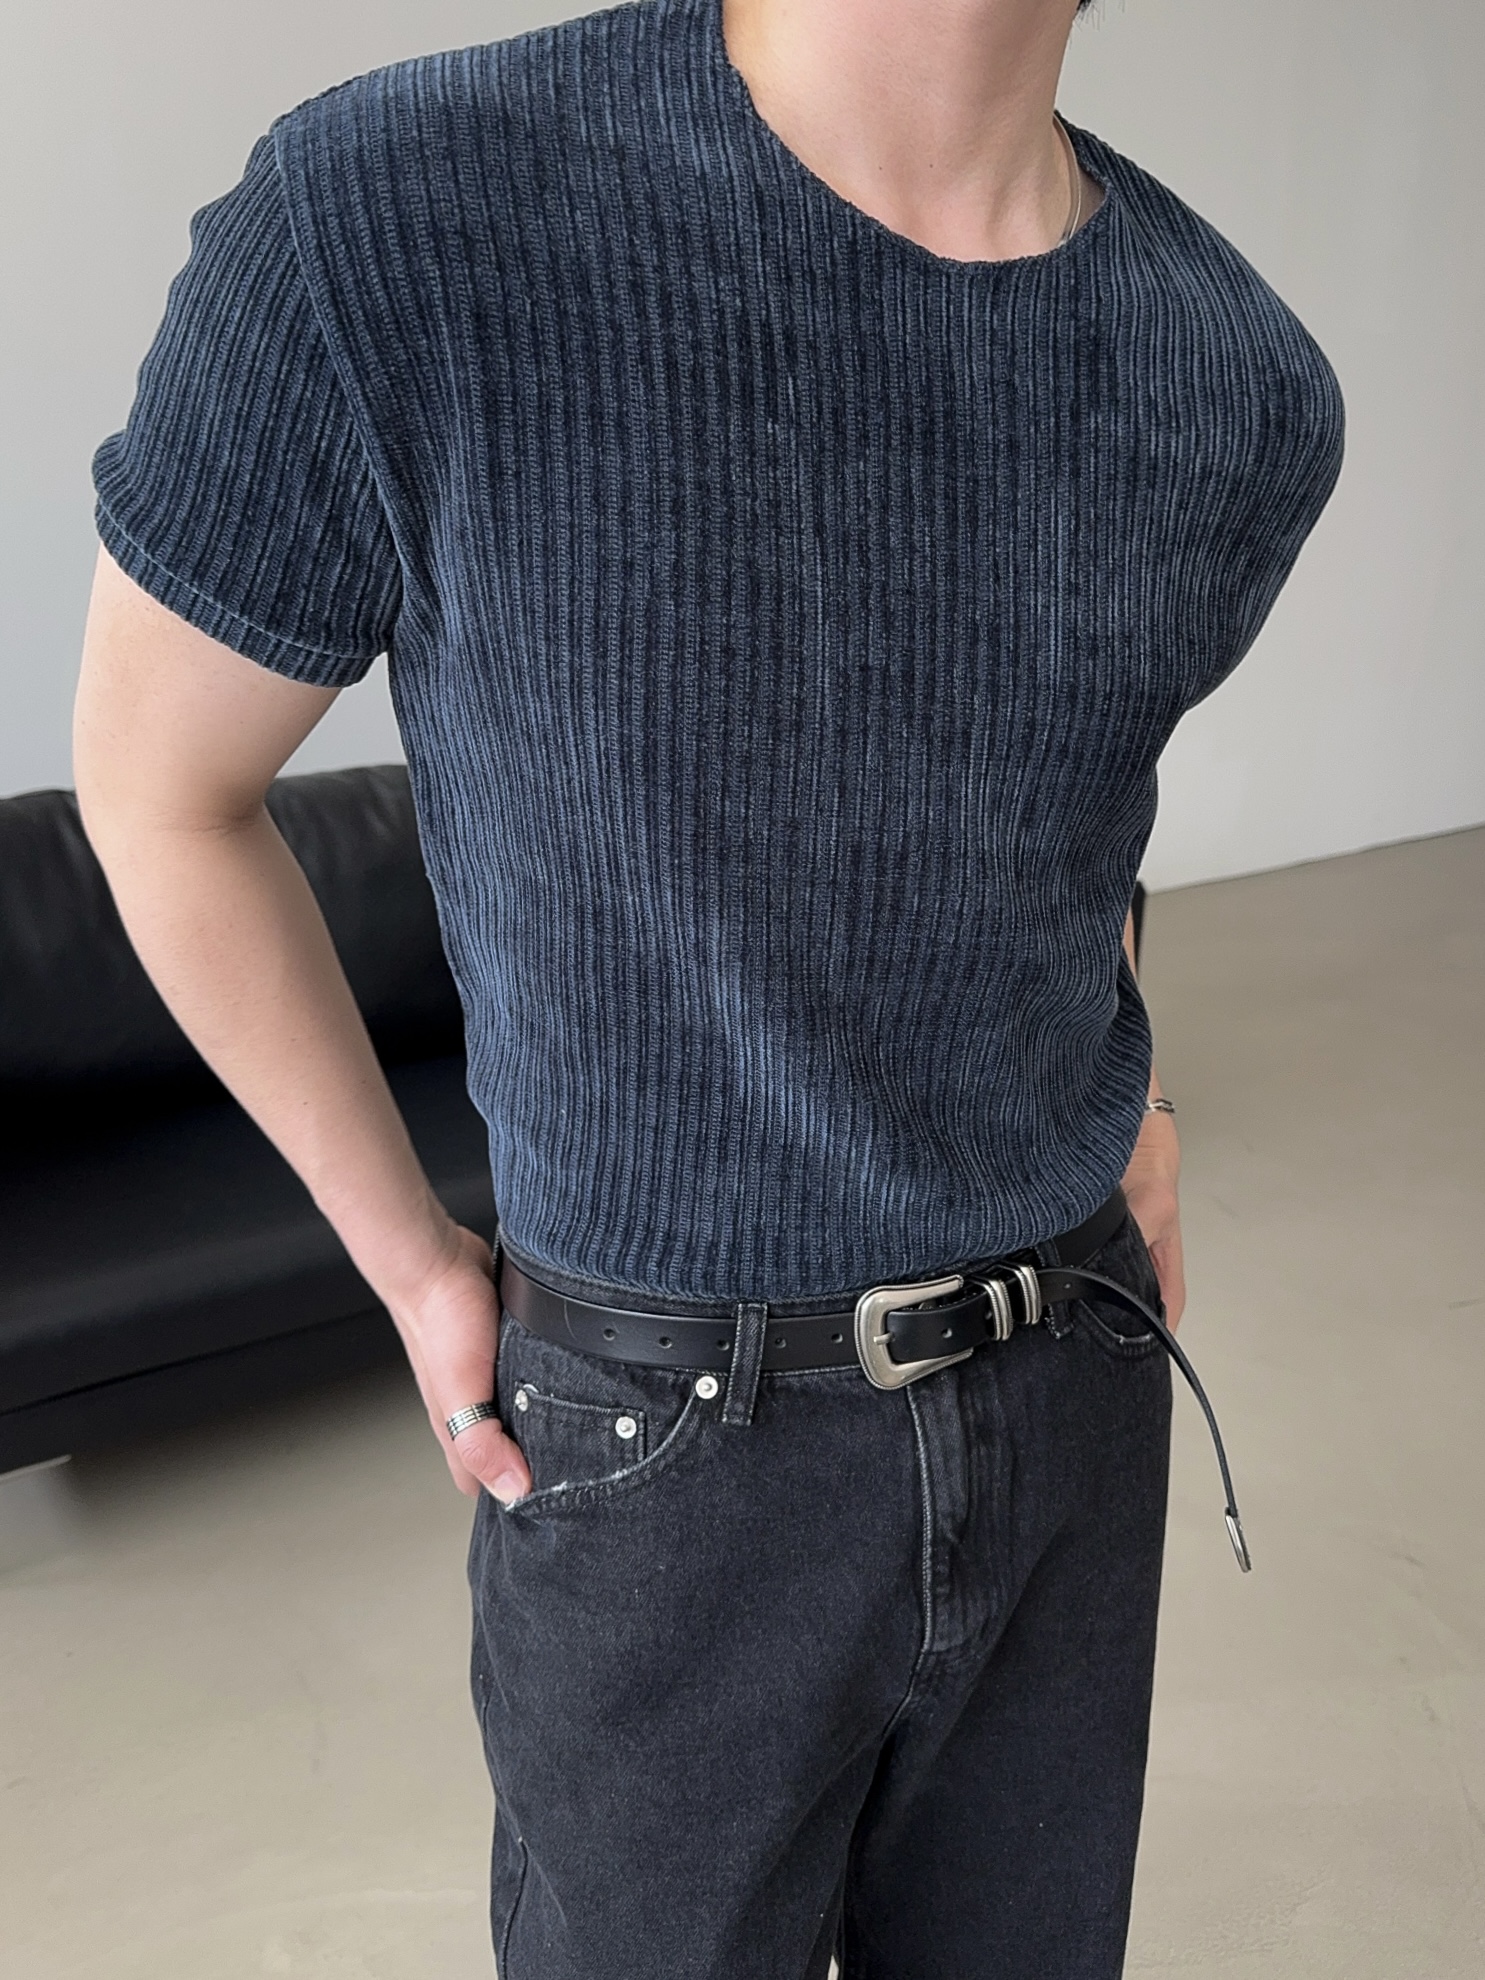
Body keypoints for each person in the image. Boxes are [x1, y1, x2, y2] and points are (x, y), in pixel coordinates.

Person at [74, 0, 1344, 1971]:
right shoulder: (396, 218)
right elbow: (163, 792)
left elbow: (1070, 804)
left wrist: (1139, 1095)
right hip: (665, 1448)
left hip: (1073, 1386)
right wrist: (412, 1262)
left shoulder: (1234, 378)